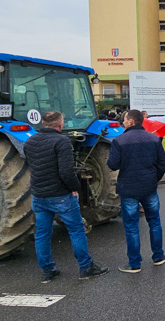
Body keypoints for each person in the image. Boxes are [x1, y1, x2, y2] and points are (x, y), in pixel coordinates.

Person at [24, 111, 108, 283]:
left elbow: (31, 165)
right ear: (60, 124)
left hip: (39, 195)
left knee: (42, 233)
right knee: (76, 229)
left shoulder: (30, 141)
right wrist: (75, 188)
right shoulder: (61, 141)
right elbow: (66, 171)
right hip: (60, 194)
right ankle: (86, 267)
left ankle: (48, 270)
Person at [107, 109, 165, 273]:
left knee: (131, 227)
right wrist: (154, 178)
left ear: (131, 121)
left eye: (124, 119)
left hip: (128, 188)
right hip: (149, 187)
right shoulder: (154, 139)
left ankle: (134, 263)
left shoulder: (119, 141)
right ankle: (158, 256)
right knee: (155, 222)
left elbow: (112, 165)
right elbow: (162, 163)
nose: (122, 121)